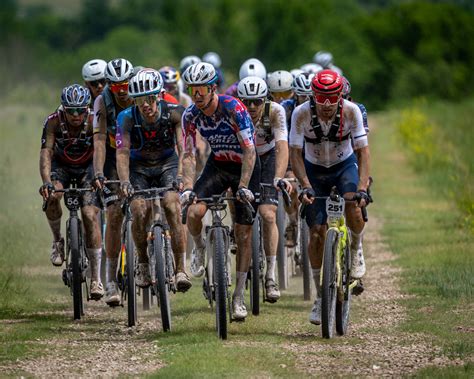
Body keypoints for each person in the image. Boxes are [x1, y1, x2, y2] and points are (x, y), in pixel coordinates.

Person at [289, 70, 370, 325]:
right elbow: (294, 153)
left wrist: (363, 188)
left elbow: (363, 153)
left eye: (332, 97)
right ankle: (320, 296)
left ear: (340, 95)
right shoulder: (300, 113)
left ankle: (356, 249)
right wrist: (304, 185)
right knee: (316, 233)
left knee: (353, 207)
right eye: (321, 97)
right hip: (314, 170)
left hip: (343, 165)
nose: (326, 104)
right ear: (313, 95)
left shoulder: (351, 111)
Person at [180, 62, 260, 321]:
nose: (196, 94)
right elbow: (189, 154)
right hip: (218, 164)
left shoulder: (233, 108)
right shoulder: (190, 115)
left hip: (244, 167)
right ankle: (201, 248)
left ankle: (237, 296)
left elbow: (250, 150)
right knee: (193, 212)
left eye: (201, 88)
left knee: (244, 233)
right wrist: (189, 187)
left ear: (213, 87)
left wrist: (245, 187)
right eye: (192, 89)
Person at [115, 68, 192, 292]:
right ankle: (143, 262)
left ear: (158, 95)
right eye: (140, 100)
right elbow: (121, 153)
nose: (146, 104)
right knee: (138, 210)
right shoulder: (126, 117)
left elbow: (183, 149)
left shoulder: (176, 113)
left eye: (149, 98)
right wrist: (124, 181)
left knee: (172, 205)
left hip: (167, 164)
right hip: (138, 167)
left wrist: (180, 177)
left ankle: (180, 269)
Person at [39, 84, 104, 300]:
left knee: (89, 214)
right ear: (63, 109)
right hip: (62, 166)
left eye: (80, 110)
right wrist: (47, 182)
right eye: (71, 110)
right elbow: (46, 153)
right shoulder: (53, 121)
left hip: (88, 168)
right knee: (52, 196)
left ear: (87, 108)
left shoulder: (94, 120)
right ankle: (58, 240)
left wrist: (98, 174)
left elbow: (100, 148)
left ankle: (96, 278)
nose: (76, 115)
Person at [237, 76, 292, 303]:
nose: (251, 107)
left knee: (268, 214)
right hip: (243, 159)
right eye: (247, 101)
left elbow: (281, 145)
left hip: (268, 158)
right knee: (239, 213)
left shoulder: (275, 111)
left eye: (257, 101)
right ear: (240, 100)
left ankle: (270, 275)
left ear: (265, 99)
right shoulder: (234, 112)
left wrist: (279, 177)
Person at [92, 58, 135, 306]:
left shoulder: (140, 93)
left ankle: (147, 258)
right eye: (115, 86)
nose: (121, 91)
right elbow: (98, 140)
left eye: (124, 85)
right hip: (110, 154)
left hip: (137, 153)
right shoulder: (102, 101)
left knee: (145, 205)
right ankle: (110, 280)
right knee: (114, 212)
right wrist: (99, 172)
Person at [280, 72, 314, 248]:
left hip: (314, 153)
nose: (306, 99)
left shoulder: (320, 108)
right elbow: (282, 137)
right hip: (292, 151)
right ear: (295, 93)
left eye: (310, 96)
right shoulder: (285, 108)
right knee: (290, 186)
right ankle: (293, 223)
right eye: (302, 95)